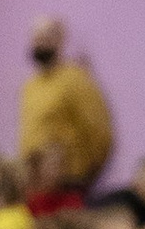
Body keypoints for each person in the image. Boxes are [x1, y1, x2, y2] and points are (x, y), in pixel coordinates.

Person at [17, 15, 112, 196]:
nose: (40, 43)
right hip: (35, 183)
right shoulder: (30, 86)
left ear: (60, 40)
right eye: (36, 38)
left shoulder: (76, 79)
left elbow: (99, 131)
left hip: (69, 183)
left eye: (46, 38)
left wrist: (86, 175)